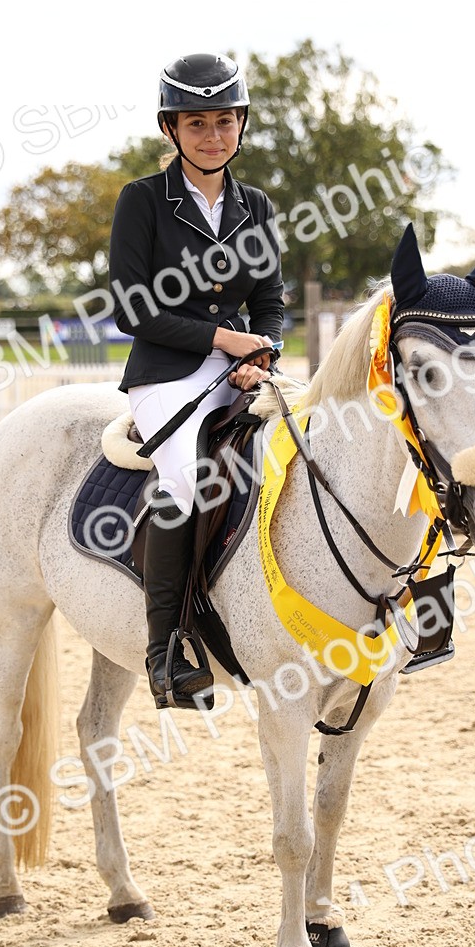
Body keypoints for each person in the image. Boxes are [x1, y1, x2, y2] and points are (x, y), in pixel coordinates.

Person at [109, 53, 285, 711]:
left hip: (239, 366)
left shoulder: (256, 206)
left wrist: (261, 353)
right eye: (197, 123)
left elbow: (270, 299)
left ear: (241, 123)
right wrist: (221, 340)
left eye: (224, 121)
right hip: (165, 373)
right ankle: (165, 649)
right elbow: (133, 309)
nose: (213, 135)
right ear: (171, 129)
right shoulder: (143, 202)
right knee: (184, 475)